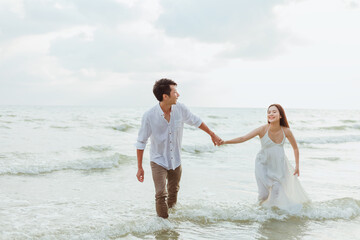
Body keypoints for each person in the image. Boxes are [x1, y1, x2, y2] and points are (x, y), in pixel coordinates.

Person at [136, 78, 222, 218]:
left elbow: (196, 121)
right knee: (160, 194)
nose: (178, 95)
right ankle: (163, 226)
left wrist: (212, 134)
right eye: (175, 92)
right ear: (165, 96)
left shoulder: (180, 109)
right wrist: (140, 167)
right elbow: (141, 142)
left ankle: (171, 222)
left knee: (173, 192)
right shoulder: (149, 116)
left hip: (175, 160)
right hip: (158, 160)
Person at [219, 104, 310, 211]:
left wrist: (297, 166)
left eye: (274, 112)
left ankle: (271, 215)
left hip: (278, 166)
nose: (271, 114)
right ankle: (259, 212)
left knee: (276, 191)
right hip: (263, 164)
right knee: (263, 195)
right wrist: (225, 142)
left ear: (281, 115)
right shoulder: (262, 129)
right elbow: (243, 138)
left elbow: (295, 148)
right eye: (269, 112)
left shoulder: (286, 131)